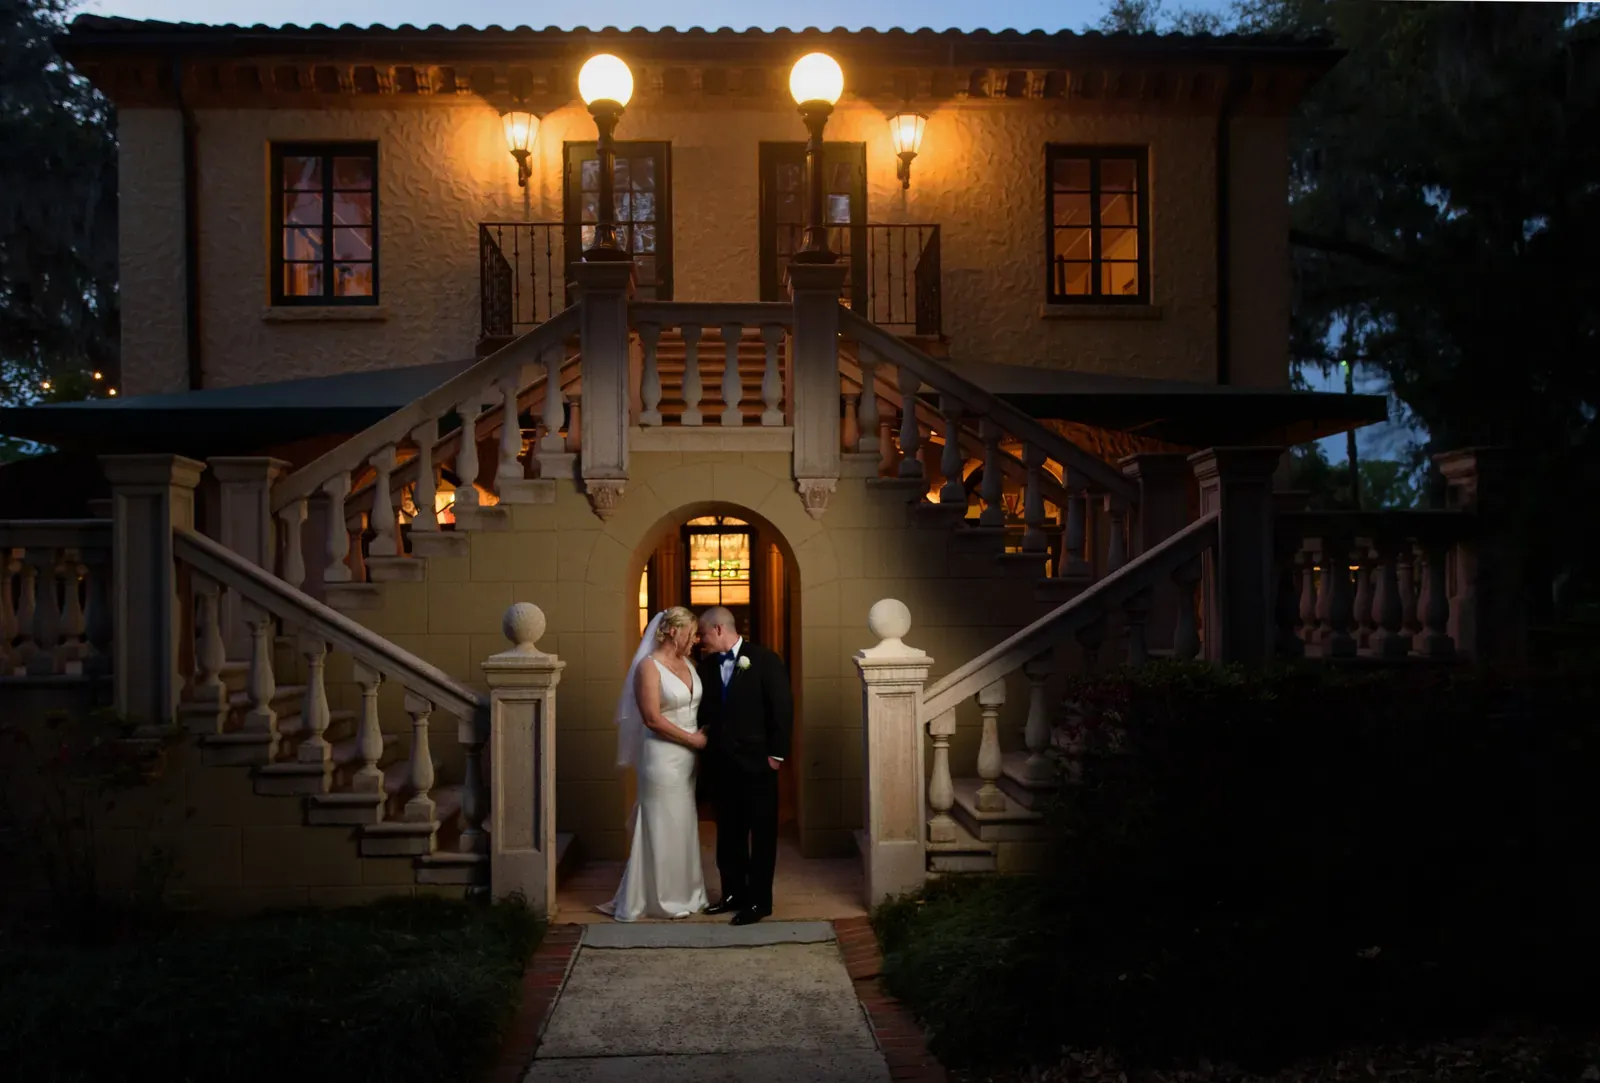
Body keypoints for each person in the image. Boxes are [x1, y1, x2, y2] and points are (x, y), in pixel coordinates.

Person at [599, 607, 709, 922]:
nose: (696, 638)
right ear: (673, 631)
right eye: (691, 631)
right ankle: (659, 898)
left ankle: (688, 893)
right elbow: (652, 719)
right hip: (661, 758)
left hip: (687, 760)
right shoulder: (648, 668)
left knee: (684, 823)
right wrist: (693, 741)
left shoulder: (688, 663)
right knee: (662, 823)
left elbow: (696, 707)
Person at [696, 605, 793, 926]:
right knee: (728, 834)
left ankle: (760, 902)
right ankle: (733, 894)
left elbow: (781, 708)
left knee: (762, 834)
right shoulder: (706, 666)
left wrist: (776, 756)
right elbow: (706, 712)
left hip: (758, 764)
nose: (701, 640)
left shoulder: (765, 659)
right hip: (722, 766)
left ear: (719, 629)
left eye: (704, 634)